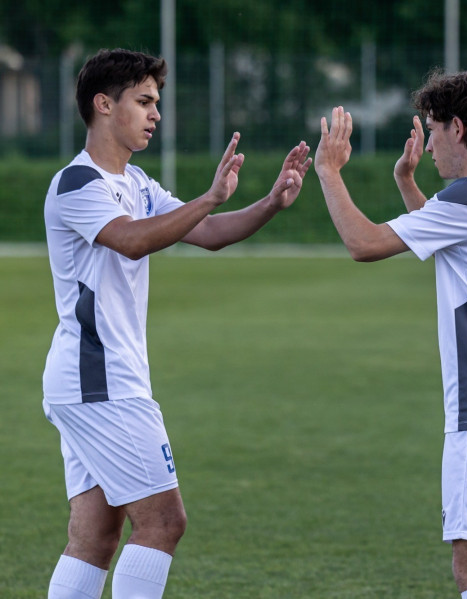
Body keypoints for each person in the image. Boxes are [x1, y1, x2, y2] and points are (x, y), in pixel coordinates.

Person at [42, 48, 311, 599]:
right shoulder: (78, 183)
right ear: (103, 104)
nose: (155, 113)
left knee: (95, 537)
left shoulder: (138, 182)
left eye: (156, 102)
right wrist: (209, 197)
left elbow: (205, 233)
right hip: (100, 382)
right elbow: (131, 240)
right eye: (144, 101)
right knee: (164, 521)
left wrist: (269, 203)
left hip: (98, 382)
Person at [314, 70, 467, 599]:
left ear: (458, 128)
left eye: (434, 129)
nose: (430, 144)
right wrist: (407, 184)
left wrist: (328, 171)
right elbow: (457, 239)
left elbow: (364, 244)